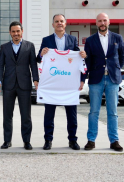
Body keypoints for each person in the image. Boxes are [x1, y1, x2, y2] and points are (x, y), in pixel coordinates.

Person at [36, 14, 86, 151]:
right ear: (53, 25)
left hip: (69, 84)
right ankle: (48, 140)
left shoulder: (72, 39)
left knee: (72, 114)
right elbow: (38, 59)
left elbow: (79, 61)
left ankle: (72, 140)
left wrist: (82, 79)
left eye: (61, 21)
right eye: (56, 21)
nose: (59, 23)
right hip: (52, 84)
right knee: (49, 114)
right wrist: (41, 54)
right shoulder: (46, 40)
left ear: (65, 24)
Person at [82, 13, 124, 152]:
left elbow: (122, 58)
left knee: (112, 111)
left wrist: (115, 70)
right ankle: (91, 140)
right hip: (96, 79)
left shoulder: (118, 38)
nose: (102, 23)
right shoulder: (90, 40)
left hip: (112, 79)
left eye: (104, 20)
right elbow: (87, 61)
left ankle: (114, 141)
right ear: (96, 23)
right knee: (94, 111)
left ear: (109, 22)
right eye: (100, 21)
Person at [0, 21, 39, 150]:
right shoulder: (4, 48)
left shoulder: (30, 46)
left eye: (18, 31)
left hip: (24, 85)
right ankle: (7, 140)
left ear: (22, 31)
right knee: (7, 114)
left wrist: (36, 80)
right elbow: (0, 66)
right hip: (8, 85)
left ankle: (27, 141)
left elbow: (33, 64)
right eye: (13, 31)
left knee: (26, 115)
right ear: (10, 33)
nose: (16, 34)